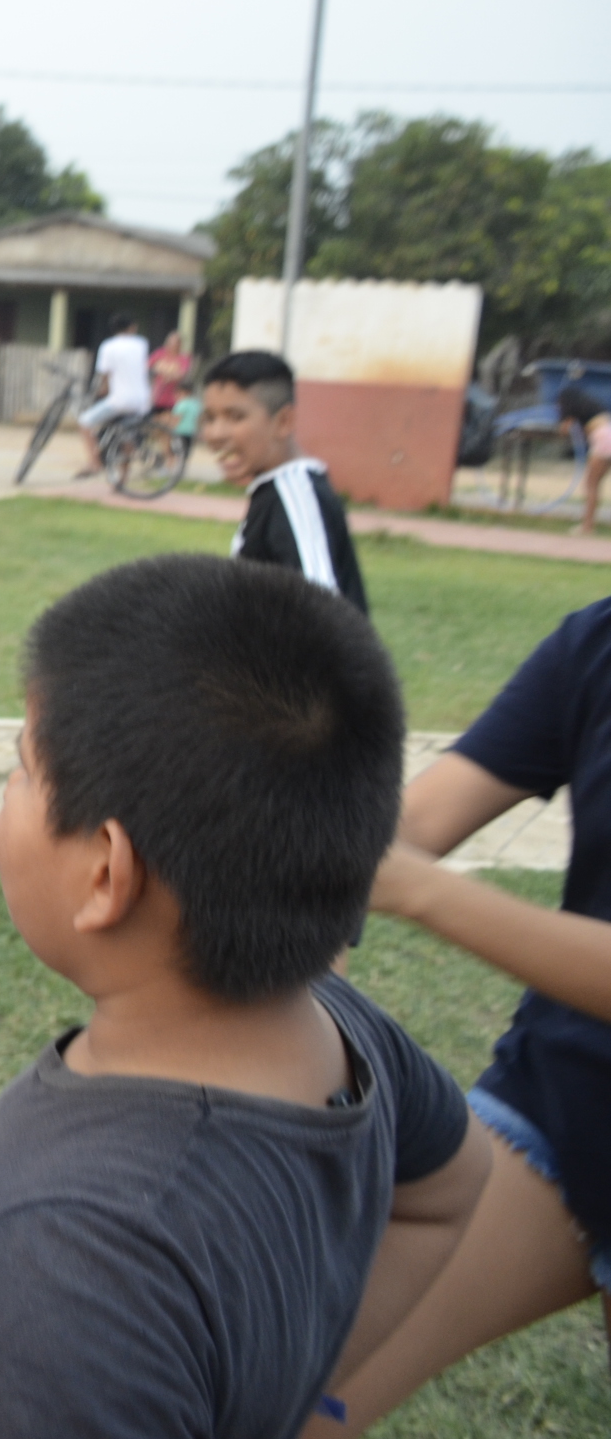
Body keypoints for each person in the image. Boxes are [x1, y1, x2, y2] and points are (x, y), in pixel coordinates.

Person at [0, 555, 490, 1439]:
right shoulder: (342, 1029)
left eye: (21, 770)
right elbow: (452, 1189)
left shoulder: (70, 1262)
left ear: (106, 875)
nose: (7, 797)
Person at [316, 600, 611, 1431]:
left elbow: (401, 868)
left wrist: (418, 889)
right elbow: (410, 825)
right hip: (560, 1110)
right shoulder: (595, 642)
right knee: (283, 1385)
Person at [200, 349, 368, 612]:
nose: (215, 433)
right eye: (209, 418)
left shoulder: (296, 495)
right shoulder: (273, 491)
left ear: (284, 422)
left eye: (235, 417)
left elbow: (323, 614)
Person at [76, 312, 149, 476]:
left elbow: (105, 374)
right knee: (126, 435)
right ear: (132, 328)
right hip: (142, 400)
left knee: (84, 422)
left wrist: (103, 390)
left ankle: (94, 463)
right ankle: (123, 479)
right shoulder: (142, 344)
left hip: (120, 400)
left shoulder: (108, 346)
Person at [554, 381, 611, 537]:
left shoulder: (572, 410)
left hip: (603, 439)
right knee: (596, 484)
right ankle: (588, 524)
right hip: (607, 435)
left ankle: (587, 526)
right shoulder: (593, 408)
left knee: (591, 484)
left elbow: (565, 429)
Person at [147, 327, 190, 412]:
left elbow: (182, 375)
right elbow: (148, 367)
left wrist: (161, 369)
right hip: (157, 397)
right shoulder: (159, 353)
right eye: (170, 342)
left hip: (174, 400)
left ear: (180, 344)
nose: (172, 345)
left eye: (175, 343)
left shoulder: (184, 358)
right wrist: (169, 372)